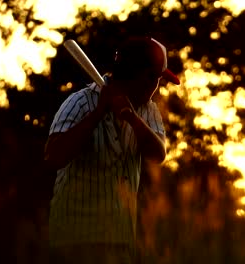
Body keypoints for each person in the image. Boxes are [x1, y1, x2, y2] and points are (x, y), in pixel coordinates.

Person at [44, 36, 180, 264]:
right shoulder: (79, 102)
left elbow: (158, 155)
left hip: (120, 242)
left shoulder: (148, 111)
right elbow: (53, 156)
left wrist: (131, 117)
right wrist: (98, 112)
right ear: (143, 76)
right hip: (72, 243)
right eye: (157, 78)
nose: (157, 86)